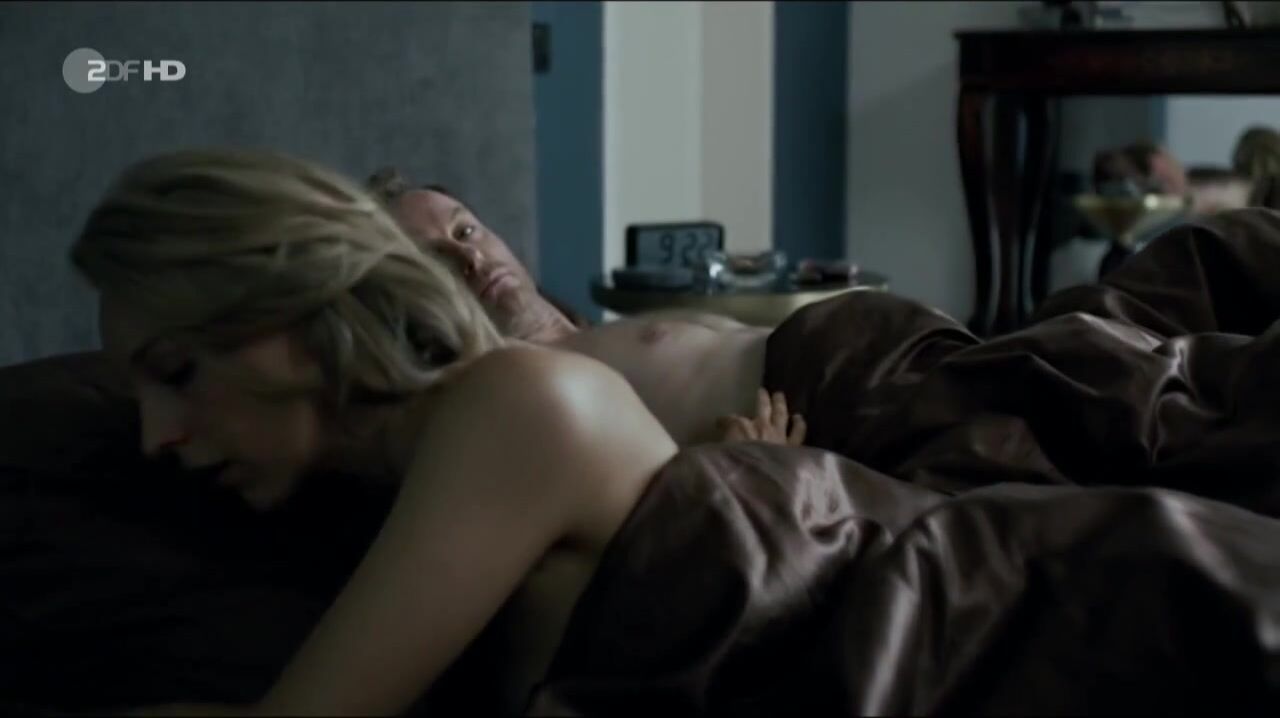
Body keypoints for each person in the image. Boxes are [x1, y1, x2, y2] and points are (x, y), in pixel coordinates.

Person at [71, 148, 800, 716]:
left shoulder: (518, 405)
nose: (155, 437)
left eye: (176, 372)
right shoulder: (415, 471)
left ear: (293, 311)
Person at [366, 167, 804, 446]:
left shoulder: (593, 337)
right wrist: (745, 471)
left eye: (465, 231)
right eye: (435, 260)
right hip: (811, 404)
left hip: (819, 347)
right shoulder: (523, 394)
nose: (471, 258)